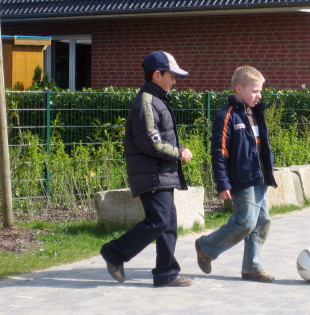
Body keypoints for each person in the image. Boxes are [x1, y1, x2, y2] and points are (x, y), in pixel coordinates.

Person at [100, 51, 193, 287]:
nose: (175, 81)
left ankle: (166, 273)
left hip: (161, 173)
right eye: (171, 76)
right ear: (156, 74)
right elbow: (150, 142)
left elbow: (163, 137)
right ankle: (114, 253)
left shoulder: (158, 100)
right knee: (159, 221)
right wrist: (178, 153)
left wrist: (179, 147)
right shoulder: (147, 102)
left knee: (168, 222)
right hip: (152, 175)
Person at [195, 65, 277, 282]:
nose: (259, 95)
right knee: (246, 222)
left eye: (260, 91)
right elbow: (219, 152)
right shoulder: (228, 116)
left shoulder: (257, 114)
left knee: (262, 222)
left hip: (260, 178)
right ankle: (206, 247)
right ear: (239, 89)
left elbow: (261, 147)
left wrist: (269, 171)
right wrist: (223, 183)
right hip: (242, 180)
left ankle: (252, 267)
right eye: (255, 91)